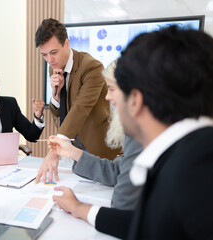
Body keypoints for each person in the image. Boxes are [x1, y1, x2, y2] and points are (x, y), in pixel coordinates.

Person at [53, 25, 213, 239]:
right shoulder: (191, 152)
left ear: (135, 100)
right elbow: (148, 225)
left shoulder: (190, 172)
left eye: (111, 91)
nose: (108, 99)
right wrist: (80, 208)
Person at [48, 60, 143, 210]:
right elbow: (118, 171)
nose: (107, 97)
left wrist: (78, 208)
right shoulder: (137, 127)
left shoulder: (143, 132)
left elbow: (121, 207)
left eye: (111, 89)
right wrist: (73, 152)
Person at [35, 18, 120, 183]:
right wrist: (55, 96)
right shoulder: (54, 68)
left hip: (95, 143)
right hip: (72, 142)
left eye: (53, 52)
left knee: (98, 190)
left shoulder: (92, 67)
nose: (50, 60)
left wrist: (54, 150)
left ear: (66, 43)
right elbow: (58, 111)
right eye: (44, 55)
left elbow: (81, 108)